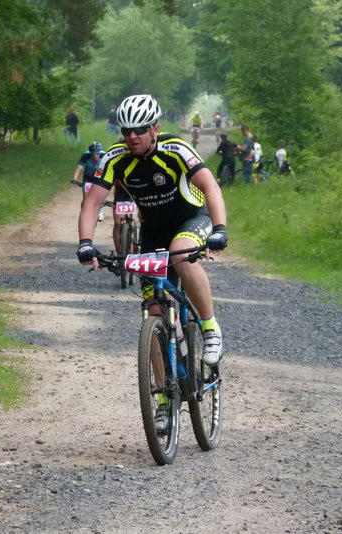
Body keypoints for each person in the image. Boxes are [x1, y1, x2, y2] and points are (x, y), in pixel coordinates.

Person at [77, 95, 228, 421]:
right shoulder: (115, 158)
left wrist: (219, 229)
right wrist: (86, 243)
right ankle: (163, 401)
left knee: (181, 256)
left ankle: (210, 328)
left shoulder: (176, 150)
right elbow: (92, 203)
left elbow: (211, 187)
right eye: (126, 131)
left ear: (155, 128)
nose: (132, 136)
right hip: (153, 232)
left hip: (192, 219)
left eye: (140, 130)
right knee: (154, 310)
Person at [71, 141, 107, 221]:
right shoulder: (85, 155)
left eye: (97, 154)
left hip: (99, 177)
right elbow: (79, 168)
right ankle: (84, 212)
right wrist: (75, 178)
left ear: (100, 152)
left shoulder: (104, 155)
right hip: (88, 177)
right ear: (90, 153)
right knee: (86, 198)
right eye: (92, 154)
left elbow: (109, 169)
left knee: (99, 196)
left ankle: (100, 211)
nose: (95, 156)